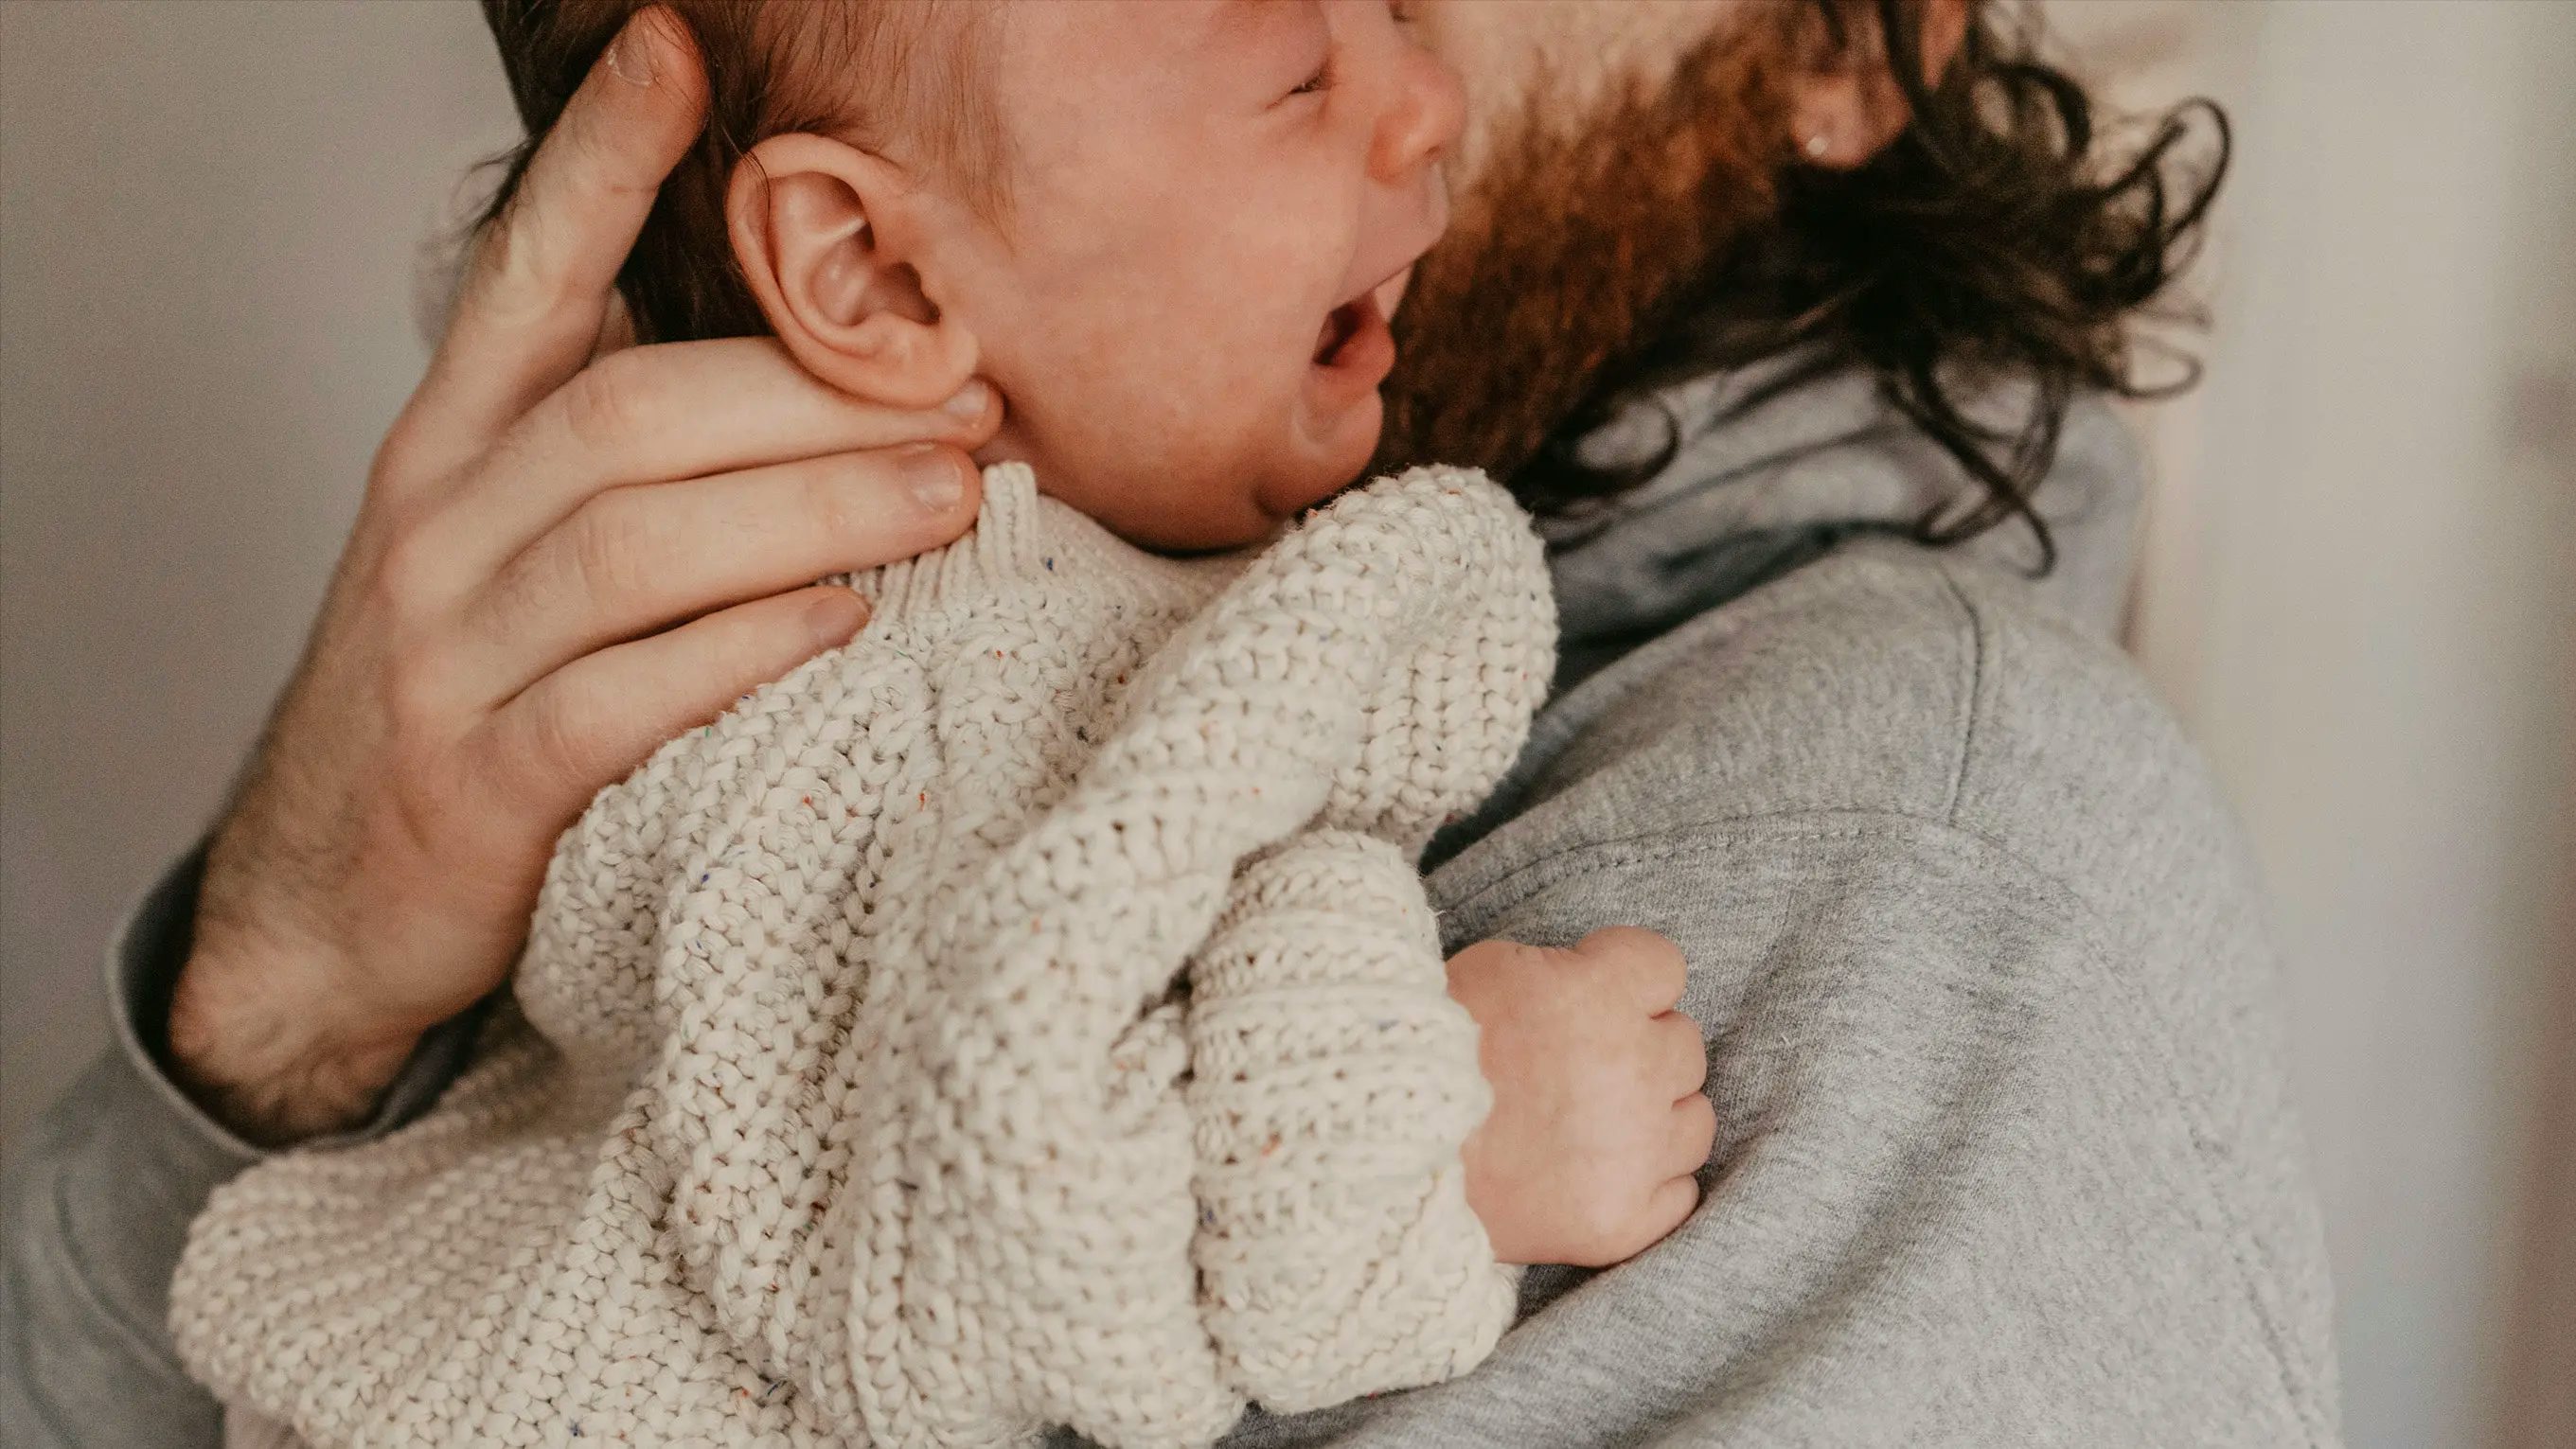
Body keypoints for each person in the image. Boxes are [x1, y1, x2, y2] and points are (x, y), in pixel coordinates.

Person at [1, 1, 2345, 1446]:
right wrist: (281, 1007)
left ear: (1854, 34)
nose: (1384, 76)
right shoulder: (770, 700)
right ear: (872, 259)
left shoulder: (1898, 887)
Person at [168, 5, 1711, 1443]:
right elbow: (974, 1200)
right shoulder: (900, 677)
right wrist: (1430, 1137)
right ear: (879, 278)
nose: (1427, 96)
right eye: (1293, 75)